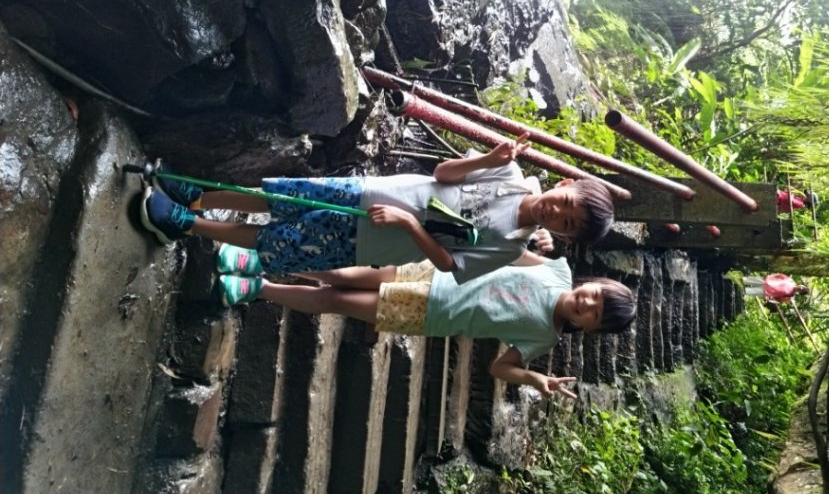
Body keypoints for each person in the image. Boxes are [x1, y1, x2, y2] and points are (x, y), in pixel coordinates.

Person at [139, 134, 615, 283]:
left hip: (369, 238)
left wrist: (410, 225)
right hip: (373, 191)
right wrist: (488, 158)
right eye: (567, 203)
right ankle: (197, 196)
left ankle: (187, 225)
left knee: (273, 239)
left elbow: (451, 265)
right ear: (566, 183)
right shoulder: (509, 176)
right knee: (277, 199)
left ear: (567, 237)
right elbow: (444, 174)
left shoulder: (510, 247)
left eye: (567, 224)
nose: (558, 214)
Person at [218, 257, 637, 399]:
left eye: (592, 315)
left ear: (589, 329)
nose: (586, 304)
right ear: (593, 284)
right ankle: (262, 261)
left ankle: (260, 289)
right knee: (345, 273)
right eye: (595, 296)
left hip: (430, 314)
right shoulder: (557, 270)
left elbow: (498, 368)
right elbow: (512, 248)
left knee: (336, 300)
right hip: (433, 271)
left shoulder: (544, 336)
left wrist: (535, 378)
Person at [743, 273, 810, 305]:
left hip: (764, 292)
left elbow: (779, 301)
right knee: (744, 280)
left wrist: (769, 300)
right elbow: (779, 275)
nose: (800, 288)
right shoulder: (790, 280)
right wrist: (769, 276)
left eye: (801, 290)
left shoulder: (790, 296)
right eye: (802, 287)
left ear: (800, 293)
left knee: (745, 291)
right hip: (765, 280)